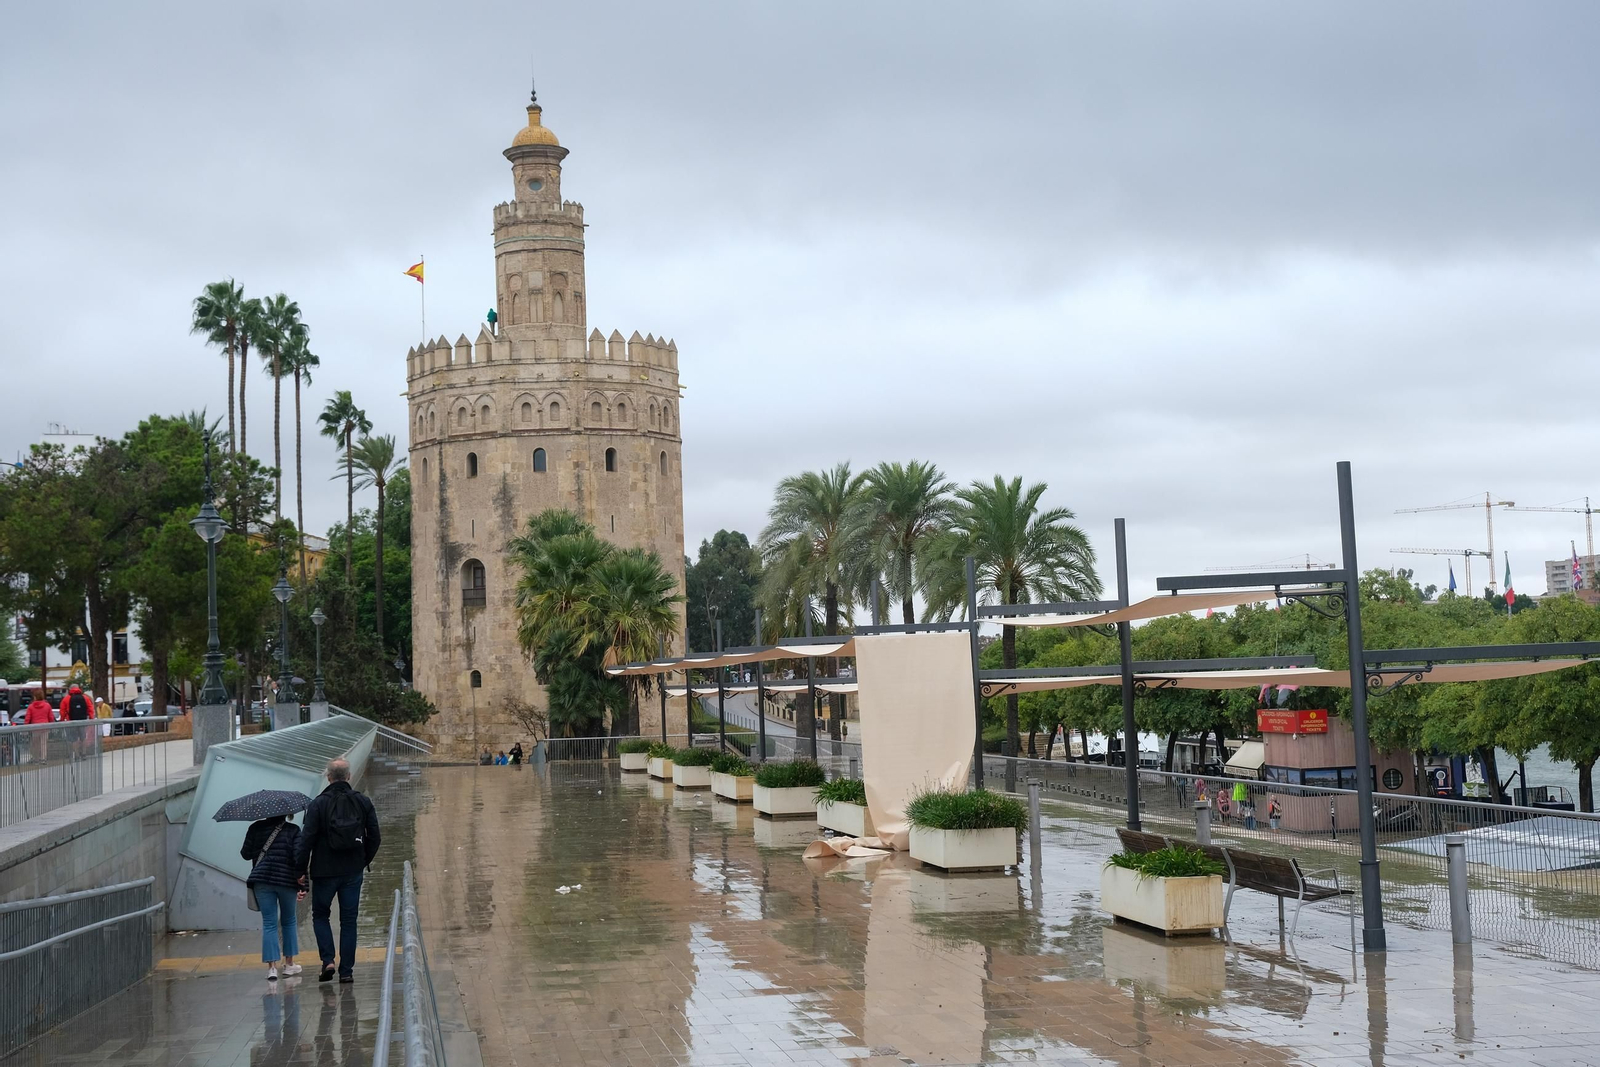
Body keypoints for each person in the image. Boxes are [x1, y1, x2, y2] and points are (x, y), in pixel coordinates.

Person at [293, 758, 381, 983]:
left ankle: (328, 960)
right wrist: (362, 860)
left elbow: (306, 840)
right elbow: (375, 837)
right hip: (352, 871)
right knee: (349, 920)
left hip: (324, 872)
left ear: (328, 777)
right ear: (349, 776)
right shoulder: (362, 801)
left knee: (321, 915)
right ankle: (347, 972)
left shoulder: (317, 804)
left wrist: (300, 870)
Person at [242, 813, 306, 981]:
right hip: (286, 881)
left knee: (269, 923)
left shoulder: (255, 828)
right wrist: (303, 885)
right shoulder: (293, 830)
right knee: (289, 921)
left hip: (262, 880)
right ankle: (289, 964)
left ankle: (272, 968)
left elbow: (245, 854)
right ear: (286, 813)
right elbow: (298, 858)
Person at [59, 685, 93, 757]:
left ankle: (76, 754)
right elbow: (90, 708)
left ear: (70, 689)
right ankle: (84, 753)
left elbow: (62, 711)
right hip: (82, 721)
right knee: (83, 737)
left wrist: (62, 719)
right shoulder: (85, 697)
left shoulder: (66, 699)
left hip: (71, 721)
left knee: (74, 739)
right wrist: (91, 718)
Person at [24, 689, 54, 763]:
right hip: (45, 727)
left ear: (34, 697)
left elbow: (27, 718)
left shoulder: (31, 707)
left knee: (35, 744)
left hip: (35, 727)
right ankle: (43, 758)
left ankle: (35, 758)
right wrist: (52, 724)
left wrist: (25, 727)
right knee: (43, 743)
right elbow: (51, 717)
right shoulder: (47, 705)